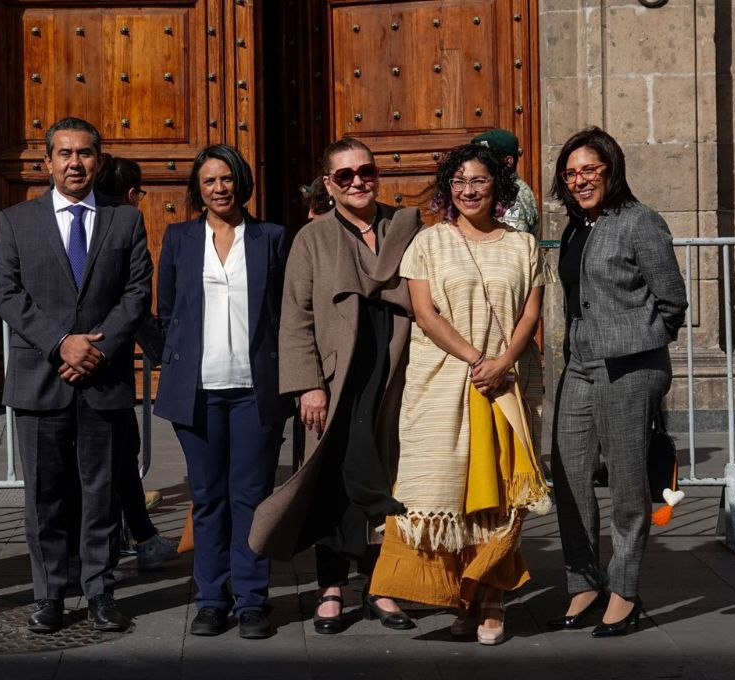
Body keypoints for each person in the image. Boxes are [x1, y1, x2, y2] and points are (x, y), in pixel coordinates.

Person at [368, 144, 552, 646]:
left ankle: (491, 597)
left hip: (508, 385)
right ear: (450, 188)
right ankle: (463, 595)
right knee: (445, 491)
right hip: (445, 383)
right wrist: (477, 361)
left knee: (501, 493)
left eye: (479, 182)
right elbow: (426, 314)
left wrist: (503, 362)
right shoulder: (429, 243)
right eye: (459, 182)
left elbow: (531, 315)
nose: (468, 191)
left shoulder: (523, 246)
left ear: (498, 188)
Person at [249, 137, 422, 635]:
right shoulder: (313, 239)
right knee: (330, 478)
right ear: (328, 184)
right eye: (344, 176)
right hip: (332, 379)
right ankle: (330, 586)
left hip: (392, 374)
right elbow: (295, 318)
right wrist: (308, 386)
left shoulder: (405, 228)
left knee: (383, 475)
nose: (357, 182)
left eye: (364, 171)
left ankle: (381, 585)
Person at [0, 117, 153, 634]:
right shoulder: (16, 221)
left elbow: (135, 293)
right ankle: (49, 594)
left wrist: (94, 349)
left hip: (102, 381)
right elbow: (8, 294)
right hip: (42, 380)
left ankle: (101, 590)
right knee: (46, 496)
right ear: (48, 162)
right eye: (64, 154)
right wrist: (62, 342)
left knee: (101, 493)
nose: (75, 163)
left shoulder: (124, 221)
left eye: (85, 154)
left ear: (99, 161)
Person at [548, 126, 687, 637]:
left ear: (611, 167)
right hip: (581, 364)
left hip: (630, 366)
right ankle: (583, 582)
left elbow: (672, 299)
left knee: (628, 483)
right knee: (569, 471)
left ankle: (625, 591)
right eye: (570, 172)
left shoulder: (640, 222)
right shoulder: (576, 226)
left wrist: (639, 339)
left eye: (589, 168)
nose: (579, 179)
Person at [155, 144, 289, 639]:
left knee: (251, 497)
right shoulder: (179, 238)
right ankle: (211, 598)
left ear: (242, 183)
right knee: (208, 498)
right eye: (210, 180)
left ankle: (252, 599)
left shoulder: (272, 237)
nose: (220, 188)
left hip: (256, 391)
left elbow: (284, 311)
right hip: (198, 392)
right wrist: (175, 362)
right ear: (198, 189)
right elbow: (166, 310)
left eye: (228, 178)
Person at [94, 154, 180, 571]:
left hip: (73, 358)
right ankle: (130, 540)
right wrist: (166, 351)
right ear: (131, 194)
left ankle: (136, 536)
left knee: (120, 453)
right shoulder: (125, 225)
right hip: (108, 366)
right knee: (118, 454)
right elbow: (135, 302)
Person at [471, 129, 540, 236]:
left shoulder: (515, 197)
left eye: (487, 160)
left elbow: (512, 245)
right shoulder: (498, 189)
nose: (480, 165)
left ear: (508, 162)